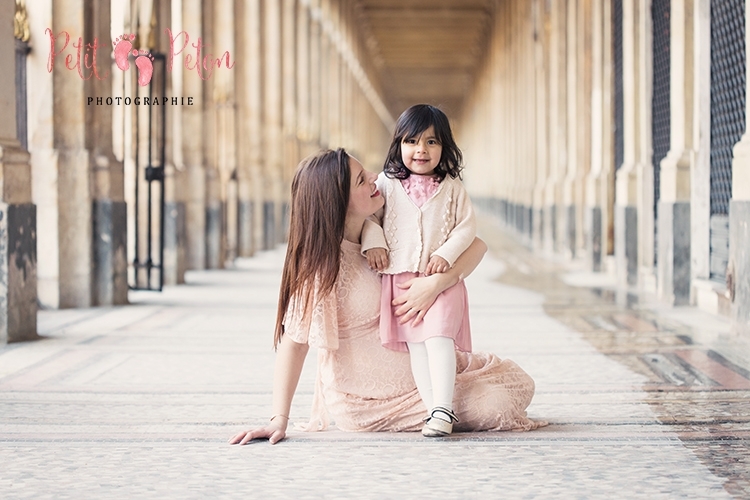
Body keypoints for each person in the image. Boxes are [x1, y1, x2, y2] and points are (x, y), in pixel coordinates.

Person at [229, 149, 544, 446]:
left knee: (516, 382)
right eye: (361, 179)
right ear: (337, 199)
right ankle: (441, 406)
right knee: (497, 403)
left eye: (366, 171)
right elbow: (294, 343)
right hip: (367, 402)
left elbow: (476, 245)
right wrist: (278, 419)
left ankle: (443, 400)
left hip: (424, 367)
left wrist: (438, 283)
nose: (374, 178)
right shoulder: (321, 267)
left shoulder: (384, 231)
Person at [361, 104, 475, 436]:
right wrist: (375, 241)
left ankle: (444, 408)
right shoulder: (386, 183)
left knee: (439, 338)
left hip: (441, 279)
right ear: (398, 144)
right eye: (411, 141)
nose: (420, 150)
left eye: (431, 142)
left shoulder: (452, 186)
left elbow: (466, 228)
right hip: (400, 279)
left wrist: (446, 252)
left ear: (445, 147)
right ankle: (433, 411)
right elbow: (370, 217)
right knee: (417, 346)